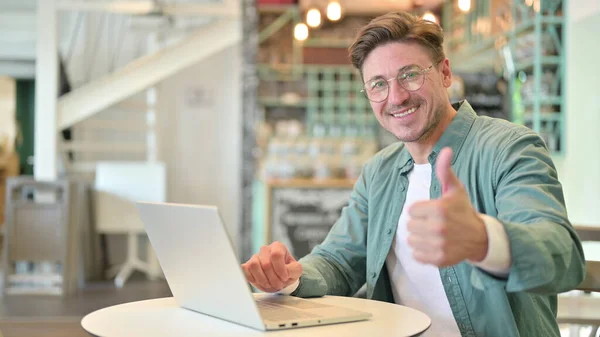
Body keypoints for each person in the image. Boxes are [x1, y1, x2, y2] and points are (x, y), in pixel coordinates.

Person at [242, 11, 586, 337]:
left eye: (410, 74)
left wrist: (484, 239)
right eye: (378, 84)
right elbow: (338, 262)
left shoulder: (509, 148)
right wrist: (290, 277)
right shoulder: (380, 171)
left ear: (445, 73)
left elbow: (562, 257)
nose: (396, 96)